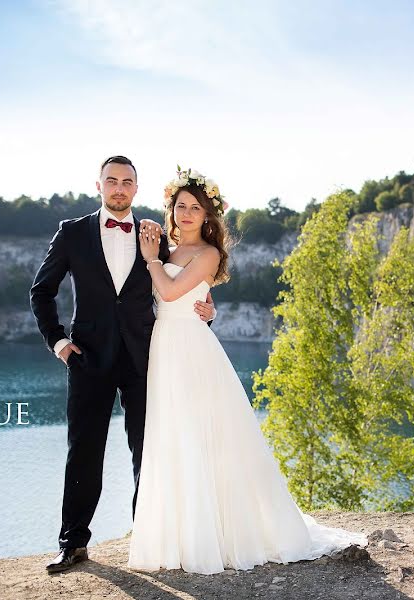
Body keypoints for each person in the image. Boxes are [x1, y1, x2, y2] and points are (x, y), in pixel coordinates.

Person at [127, 168, 367, 574]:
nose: (186, 213)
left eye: (195, 208)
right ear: (171, 209)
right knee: (173, 435)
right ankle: (180, 538)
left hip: (192, 351)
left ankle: (217, 537)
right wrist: (170, 273)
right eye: (180, 205)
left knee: (205, 437)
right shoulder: (163, 247)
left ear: (207, 216)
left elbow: (168, 292)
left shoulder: (208, 254)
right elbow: (161, 299)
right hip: (164, 349)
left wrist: (153, 262)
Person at [30, 156, 217, 574]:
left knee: (148, 452)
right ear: (98, 186)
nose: (119, 188)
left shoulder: (155, 234)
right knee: (83, 452)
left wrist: (208, 309)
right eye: (111, 181)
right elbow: (41, 292)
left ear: (136, 188)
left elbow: (184, 278)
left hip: (146, 358)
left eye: (126, 182)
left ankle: (149, 541)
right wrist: (59, 342)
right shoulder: (72, 234)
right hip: (88, 359)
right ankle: (73, 543)